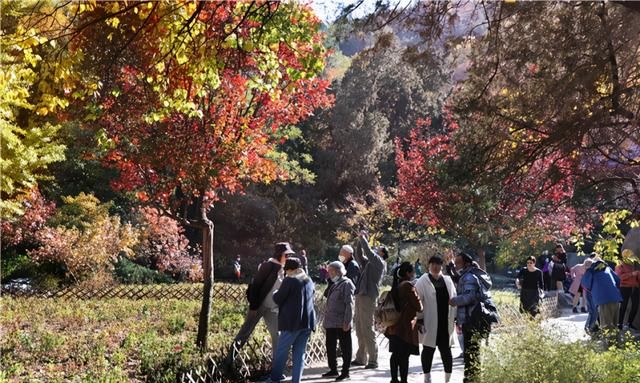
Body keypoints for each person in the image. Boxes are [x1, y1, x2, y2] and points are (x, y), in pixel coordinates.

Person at [226, 243, 292, 369]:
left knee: (276, 335)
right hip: (259, 306)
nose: (288, 257)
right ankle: (229, 360)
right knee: (245, 332)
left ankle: (277, 366)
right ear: (280, 254)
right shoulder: (267, 266)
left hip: (272, 308)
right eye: (286, 255)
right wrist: (253, 307)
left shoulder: (282, 269)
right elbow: (255, 286)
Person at [268, 257, 316, 383]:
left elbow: (278, 298)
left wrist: (275, 293)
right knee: (299, 353)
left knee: (281, 351)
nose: (285, 272)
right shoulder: (308, 280)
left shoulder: (290, 280)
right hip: (307, 321)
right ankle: (296, 380)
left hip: (292, 323)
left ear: (290, 269)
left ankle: (275, 378)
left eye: (286, 270)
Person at [449, 253, 493, 383]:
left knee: (471, 352)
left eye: (458, 263)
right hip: (470, 319)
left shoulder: (469, 277)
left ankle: (472, 379)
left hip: (472, 319)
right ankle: (472, 378)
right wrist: (450, 266)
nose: (456, 266)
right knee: (471, 352)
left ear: (466, 264)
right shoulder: (467, 275)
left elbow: (470, 297)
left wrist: (453, 301)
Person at [415, 256, 457, 383]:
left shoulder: (448, 281)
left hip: (445, 322)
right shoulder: (422, 281)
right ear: (429, 266)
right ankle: (427, 378)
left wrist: (455, 318)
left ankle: (447, 379)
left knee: (446, 352)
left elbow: (454, 299)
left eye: (438, 264)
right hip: (429, 322)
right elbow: (417, 302)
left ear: (442, 266)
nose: (435, 267)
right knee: (428, 351)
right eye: (433, 264)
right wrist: (419, 319)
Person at [352, 231, 388, 369]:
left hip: (369, 297)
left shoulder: (380, 263)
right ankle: (361, 357)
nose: (376, 249)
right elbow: (359, 255)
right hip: (361, 295)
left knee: (367, 328)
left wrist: (363, 238)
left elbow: (368, 251)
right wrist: (359, 241)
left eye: (379, 249)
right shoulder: (369, 264)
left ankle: (373, 359)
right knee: (360, 328)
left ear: (383, 254)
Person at [385, 262, 422, 383]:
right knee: (404, 356)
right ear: (408, 273)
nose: (414, 274)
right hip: (405, 328)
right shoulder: (407, 286)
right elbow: (418, 306)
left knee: (395, 355)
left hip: (393, 326)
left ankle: (394, 379)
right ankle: (404, 380)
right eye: (412, 272)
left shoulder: (396, 285)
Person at [322, 261, 356, 381]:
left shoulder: (346, 283)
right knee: (330, 345)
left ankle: (345, 371)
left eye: (331, 271)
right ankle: (333, 369)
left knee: (345, 347)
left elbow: (349, 304)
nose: (329, 274)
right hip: (331, 321)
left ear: (338, 271)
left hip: (341, 321)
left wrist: (347, 321)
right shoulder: (334, 283)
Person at [582, 254, 622, 332]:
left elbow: (586, 285)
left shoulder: (591, 271)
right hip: (616, 297)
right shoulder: (607, 268)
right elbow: (618, 280)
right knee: (614, 325)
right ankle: (615, 342)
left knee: (606, 326)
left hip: (603, 299)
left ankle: (608, 343)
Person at [615, 250, 640, 330]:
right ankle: (620, 324)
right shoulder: (620, 266)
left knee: (635, 306)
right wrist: (631, 274)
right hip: (625, 287)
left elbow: (636, 277)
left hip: (635, 287)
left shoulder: (633, 265)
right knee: (623, 306)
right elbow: (619, 277)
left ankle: (629, 323)